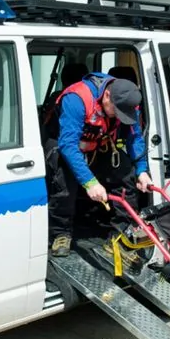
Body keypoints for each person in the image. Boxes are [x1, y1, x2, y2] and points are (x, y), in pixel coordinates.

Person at [45, 72, 151, 257]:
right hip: (64, 146)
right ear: (107, 95)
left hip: (97, 145)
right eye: (116, 111)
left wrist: (142, 170)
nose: (118, 116)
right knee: (65, 183)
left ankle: (120, 233)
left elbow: (134, 137)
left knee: (127, 175)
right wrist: (90, 182)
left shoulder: (129, 102)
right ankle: (60, 233)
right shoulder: (77, 98)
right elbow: (68, 145)